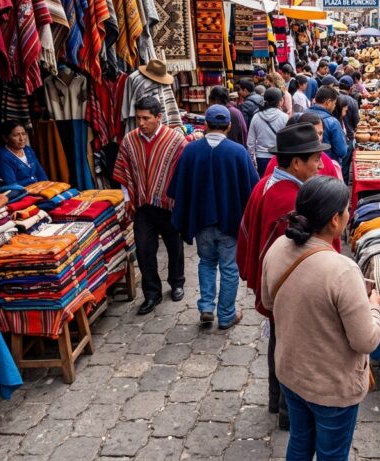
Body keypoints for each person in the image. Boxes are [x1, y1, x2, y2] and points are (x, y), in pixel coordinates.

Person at [262, 177, 380, 460]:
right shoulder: (342, 270)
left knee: (300, 441)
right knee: (331, 454)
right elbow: (366, 340)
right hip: (332, 387)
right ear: (334, 220)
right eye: (347, 209)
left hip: (292, 373)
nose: (349, 214)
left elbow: (269, 303)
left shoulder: (280, 246)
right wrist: (374, 305)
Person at [237, 123, 333, 427]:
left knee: (279, 341)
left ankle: (275, 400)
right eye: (315, 159)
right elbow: (295, 256)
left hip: (272, 284)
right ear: (296, 162)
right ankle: (288, 414)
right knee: (291, 348)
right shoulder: (289, 199)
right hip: (285, 290)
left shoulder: (267, 184)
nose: (320, 165)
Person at [168, 105, 259, 327]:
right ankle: (226, 314)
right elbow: (253, 189)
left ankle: (207, 306)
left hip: (201, 221)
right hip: (230, 222)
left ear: (206, 125)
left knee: (206, 262)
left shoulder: (191, 151)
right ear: (229, 126)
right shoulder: (238, 152)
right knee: (229, 267)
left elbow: (177, 189)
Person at [113, 96, 187, 315]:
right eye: (138, 118)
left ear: (159, 117)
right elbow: (124, 170)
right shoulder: (129, 140)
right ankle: (151, 294)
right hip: (142, 204)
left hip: (168, 203)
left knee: (175, 246)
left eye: (146, 118)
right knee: (144, 249)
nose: (141, 123)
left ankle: (177, 283)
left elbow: (183, 172)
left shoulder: (175, 140)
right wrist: (127, 198)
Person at [264, 114, 341, 179]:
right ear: (296, 162)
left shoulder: (326, 160)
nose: (318, 138)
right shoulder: (278, 160)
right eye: (313, 134)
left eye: (320, 133)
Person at [248, 88, 289, 177]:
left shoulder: (256, 117)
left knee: (263, 184)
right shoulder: (285, 117)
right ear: (280, 101)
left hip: (261, 158)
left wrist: (252, 160)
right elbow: (288, 141)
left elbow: (250, 142)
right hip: (279, 157)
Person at [0, 120, 48, 187]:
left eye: (23, 134)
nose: (22, 139)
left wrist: (46, 187)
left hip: (38, 188)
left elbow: (41, 174)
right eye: (16, 135)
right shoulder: (2, 156)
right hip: (21, 193)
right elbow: (11, 185)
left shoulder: (28, 150)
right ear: (5, 138)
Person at [310, 86, 348, 163]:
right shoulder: (332, 122)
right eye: (334, 104)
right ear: (328, 102)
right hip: (327, 165)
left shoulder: (301, 116)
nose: (334, 107)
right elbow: (342, 151)